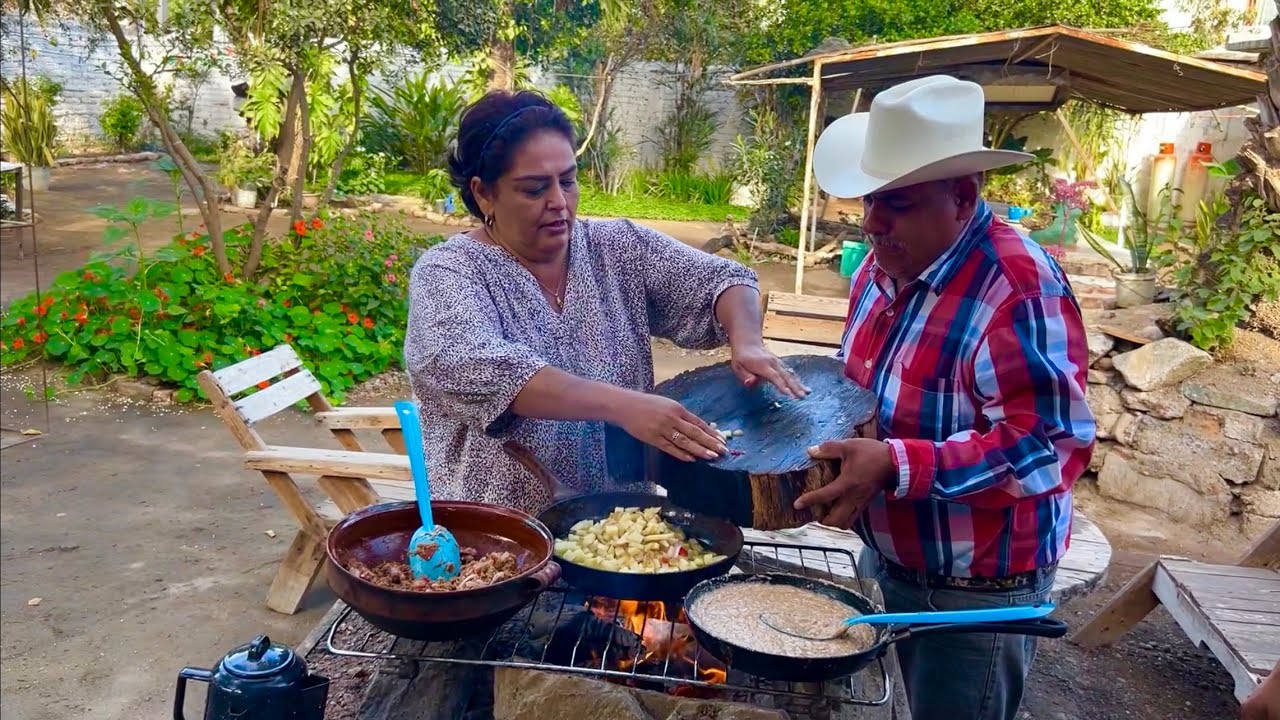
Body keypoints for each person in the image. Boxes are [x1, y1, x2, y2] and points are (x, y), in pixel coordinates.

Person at [793, 75, 1096, 720]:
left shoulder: (1016, 286)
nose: (871, 221)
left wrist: (897, 466)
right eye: (869, 199)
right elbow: (867, 395)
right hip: (892, 557)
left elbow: (1050, 445)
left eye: (896, 202)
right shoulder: (881, 269)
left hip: (976, 586)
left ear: (962, 196)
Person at [404, 90, 806, 516]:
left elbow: (724, 280)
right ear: (484, 194)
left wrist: (746, 341)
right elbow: (472, 363)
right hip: (498, 537)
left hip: (623, 529)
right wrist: (625, 405)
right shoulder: (449, 272)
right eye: (534, 188)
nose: (558, 202)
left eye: (568, 180)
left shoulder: (615, 246)